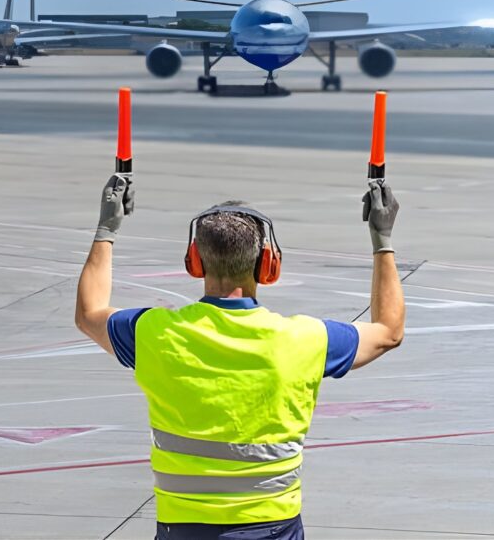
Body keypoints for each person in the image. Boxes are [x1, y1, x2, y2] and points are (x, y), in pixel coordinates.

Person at [75, 174, 405, 540]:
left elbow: (89, 312)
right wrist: (382, 239)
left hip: (182, 528)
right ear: (268, 263)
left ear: (195, 260)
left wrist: (107, 228)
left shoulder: (154, 332)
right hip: (272, 528)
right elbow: (389, 331)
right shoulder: (303, 338)